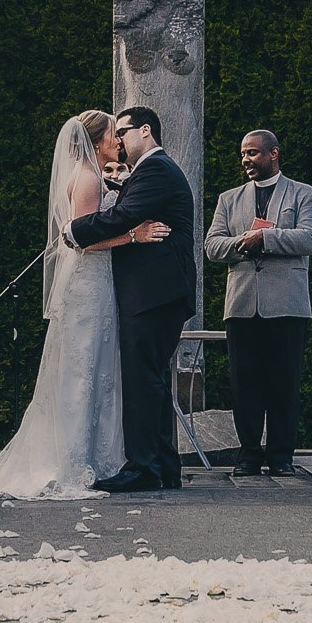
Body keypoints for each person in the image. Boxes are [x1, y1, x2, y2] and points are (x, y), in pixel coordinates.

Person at [0, 110, 167, 497]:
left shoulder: (93, 175)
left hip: (97, 283)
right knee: (83, 370)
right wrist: (132, 237)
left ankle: (98, 456)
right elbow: (82, 238)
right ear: (96, 141)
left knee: (96, 369)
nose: (118, 142)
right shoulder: (87, 177)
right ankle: (75, 460)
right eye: (112, 136)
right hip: (89, 284)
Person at [69, 104, 197, 492]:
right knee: (152, 379)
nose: (119, 140)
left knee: (143, 380)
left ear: (145, 131)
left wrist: (73, 231)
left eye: (122, 132)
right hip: (158, 292)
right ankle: (162, 466)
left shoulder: (156, 169)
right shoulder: (151, 171)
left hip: (154, 293)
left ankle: (143, 467)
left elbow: (122, 217)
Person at [204, 128, 312, 475]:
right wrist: (244, 241)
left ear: (274, 154)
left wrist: (266, 239)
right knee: (244, 384)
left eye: (254, 153)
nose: (246, 160)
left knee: (284, 383)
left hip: (287, 304)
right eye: (243, 154)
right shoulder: (229, 198)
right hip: (241, 305)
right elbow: (212, 246)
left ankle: (281, 456)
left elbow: (310, 239)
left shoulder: (304, 194)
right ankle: (249, 455)